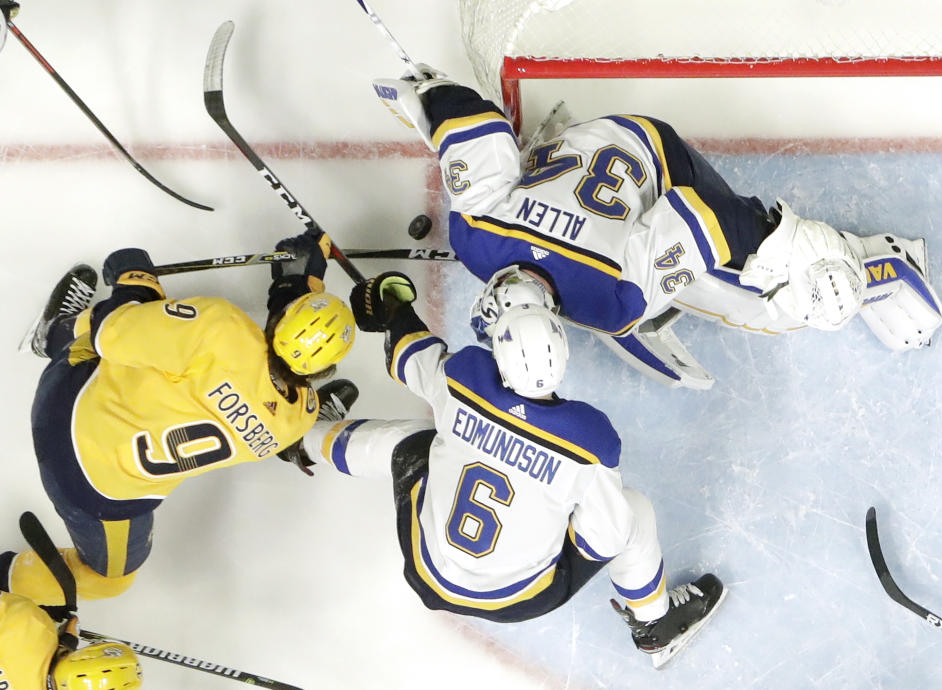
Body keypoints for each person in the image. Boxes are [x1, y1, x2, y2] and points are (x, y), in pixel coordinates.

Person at [372, 68, 942, 389]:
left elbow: (712, 218)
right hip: (591, 144)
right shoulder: (473, 236)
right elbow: (472, 121)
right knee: (656, 275)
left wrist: (798, 252)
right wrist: (426, 97)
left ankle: (880, 264)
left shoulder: (612, 299)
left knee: (763, 308)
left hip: (658, 160)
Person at [280, 270, 726, 668]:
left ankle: (299, 438)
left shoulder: (463, 377)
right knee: (634, 512)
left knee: (411, 443)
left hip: (428, 569)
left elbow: (410, 359)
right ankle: (655, 625)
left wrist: (394, 306)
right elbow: (608, 534)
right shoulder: (589, 437)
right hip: (518, 598)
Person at [3, 229, 359, 607]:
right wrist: (301, 282)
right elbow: (280, 356)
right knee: (109, 582)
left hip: (63, 408)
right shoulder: (295, 418)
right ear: (325, 372)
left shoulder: (220, 329)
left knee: (131, 327)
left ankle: (52, 332)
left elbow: (115, 331)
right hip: (94, 495)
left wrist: (135, 284)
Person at [1, 513, 143, 690]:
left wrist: (49, 630)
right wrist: (61, 645)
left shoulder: (26, 623)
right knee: (110, 582)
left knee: (111, 581)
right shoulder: (28, 625)